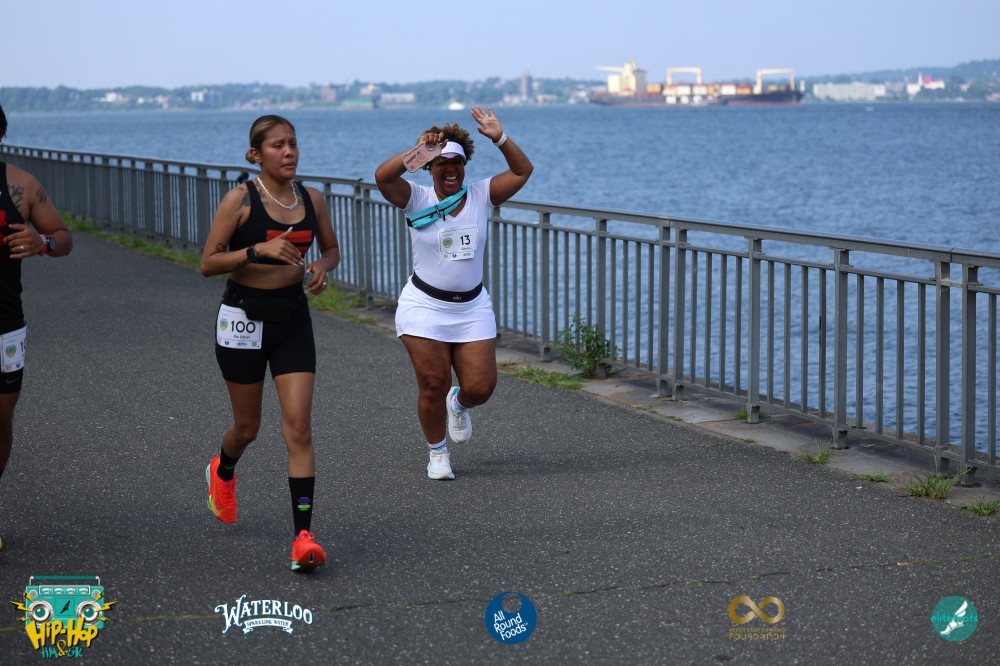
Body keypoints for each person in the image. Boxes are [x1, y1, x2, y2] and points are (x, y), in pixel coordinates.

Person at [200, 115, 340, 572]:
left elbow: (332, 250)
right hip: (243, 319)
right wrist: (257, 250)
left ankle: (303, 537)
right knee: (247, 427)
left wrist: (320, 267)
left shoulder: (312, 199)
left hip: (292, 319)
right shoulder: (239, 200)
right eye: (278, 145)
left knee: (299, 427)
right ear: (256, 155)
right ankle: (223, 469)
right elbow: (208, 263)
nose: (289, 151)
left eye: (293, 143)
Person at [374, 106, 532, 480]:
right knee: (432, 383)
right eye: (441, 162)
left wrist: (500, 138)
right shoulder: (417, 198)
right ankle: (437, 453)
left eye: (456, 162)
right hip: (424, 306)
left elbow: (522, 171)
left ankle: (458, 404)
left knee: (481, 387)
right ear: (429, 167)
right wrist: (417, 152)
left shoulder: (481, 195)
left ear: (464, 166)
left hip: (472, 308)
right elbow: (383, 177)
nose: (449, 169)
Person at [0, 105, 74, 551]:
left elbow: (64, 238)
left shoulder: (21, 185)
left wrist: (42, 242)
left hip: (5, 322)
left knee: (1, 418)